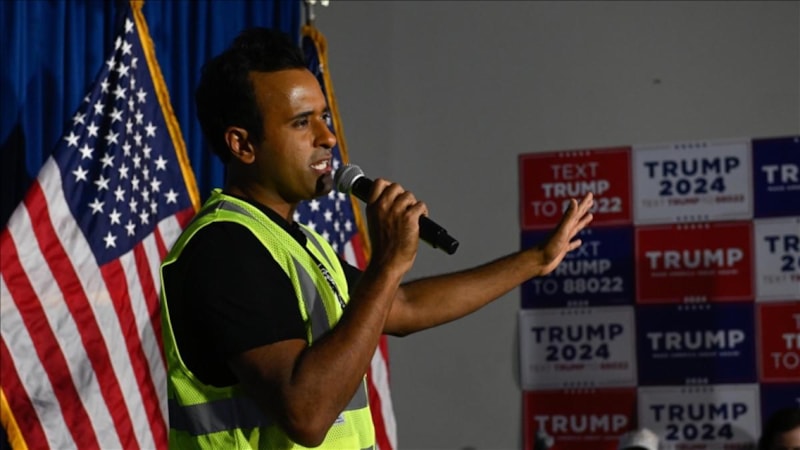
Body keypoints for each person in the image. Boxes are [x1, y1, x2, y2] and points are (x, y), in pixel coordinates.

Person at [159, 27, 594, 449]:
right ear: (242, 145)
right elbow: (306, 414)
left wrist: (537, 260)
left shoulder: (296, 242)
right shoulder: (224, 249)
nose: (328, 137)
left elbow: (403, 306)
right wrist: (387, 264)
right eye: (301, 122)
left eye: (324, 117)